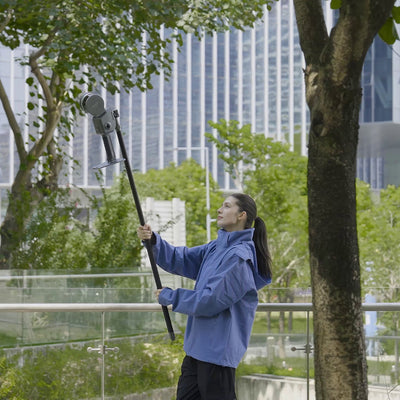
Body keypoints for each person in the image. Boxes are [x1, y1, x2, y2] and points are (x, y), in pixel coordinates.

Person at [137, 193, 272, 400]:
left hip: (218, 354)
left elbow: (210, 300)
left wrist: (172, 297)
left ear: (241, 215)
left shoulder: (238, 258)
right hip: (196, 350)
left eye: (227, 206)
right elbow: (181, 259)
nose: (219, 209)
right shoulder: (216, 247)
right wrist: (153, 240)